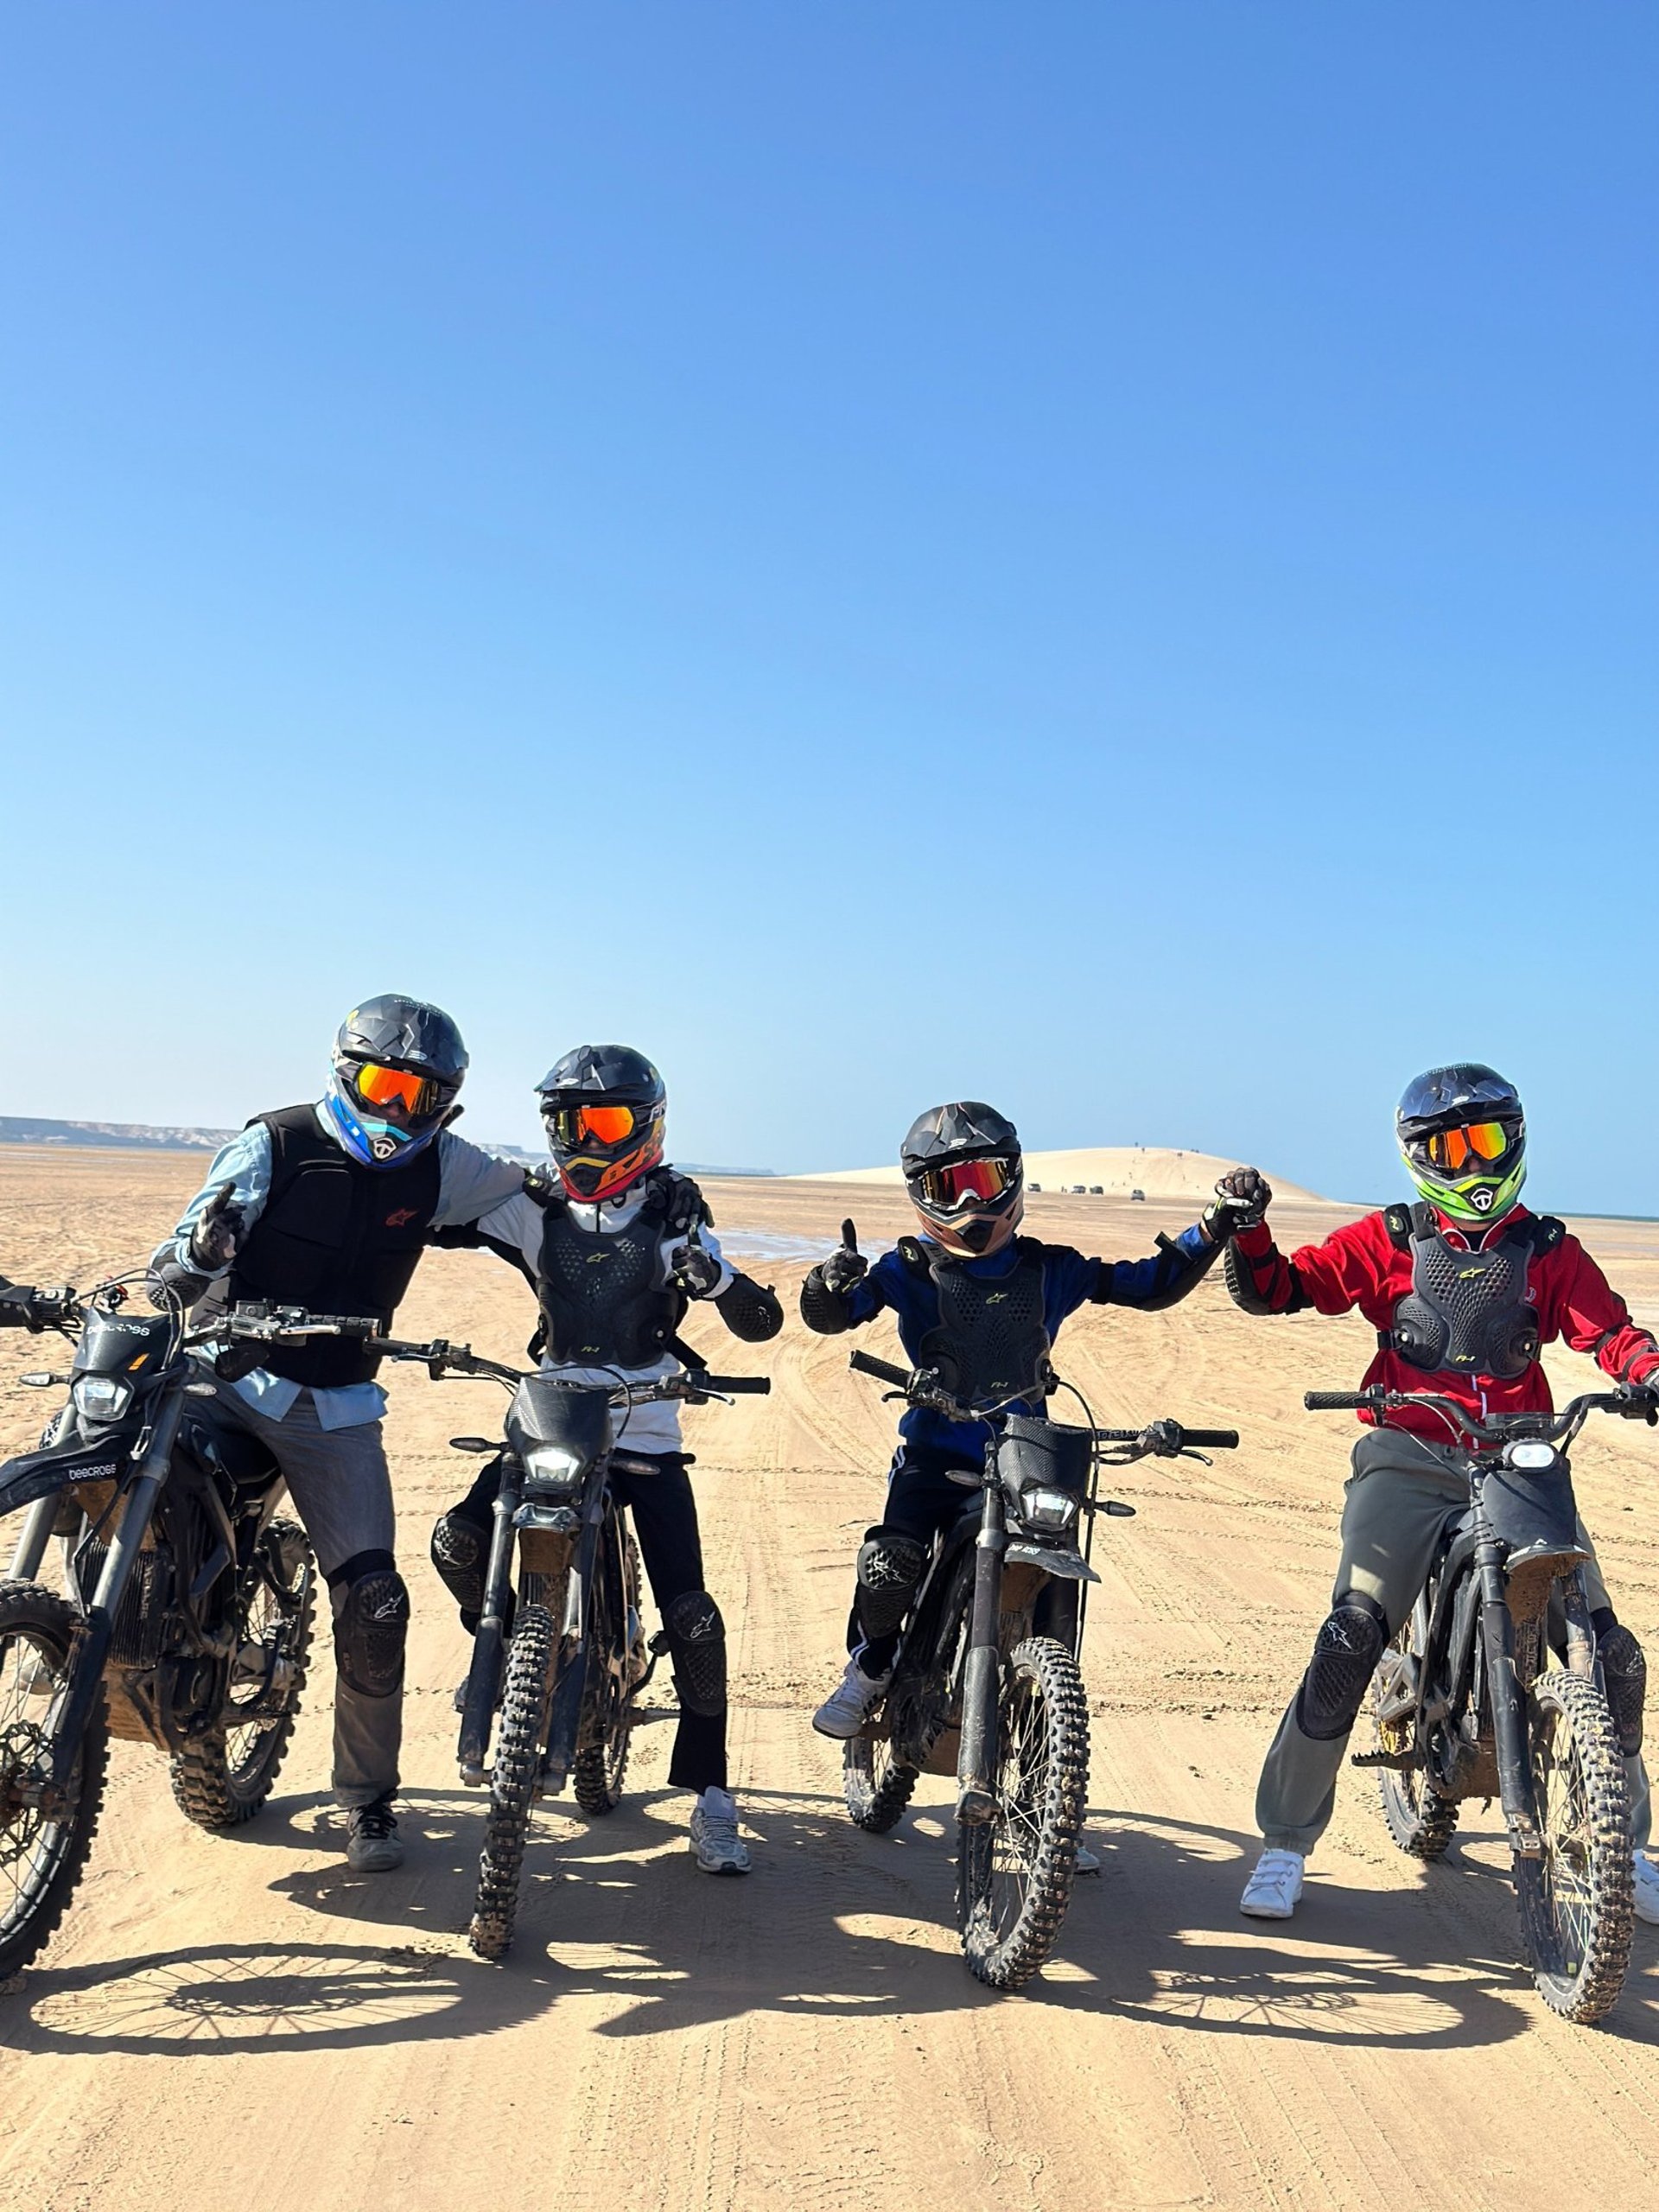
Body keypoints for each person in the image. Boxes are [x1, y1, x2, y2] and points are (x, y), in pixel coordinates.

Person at [1224, 1064, 1659, 1923]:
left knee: (1606, 1650)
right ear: (1418, 1156)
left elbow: (1609, 1330)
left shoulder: (1547, 1251)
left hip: (1521, 1456)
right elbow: (1284, 1289)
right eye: (1448, 1149)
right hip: (1408, 1452)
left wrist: (1647, 1370)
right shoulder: (1387, 1241)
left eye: (1485, 1142)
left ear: (1516, 1139)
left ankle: (1626, 1847)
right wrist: (1250, 1234)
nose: (1470, 1165)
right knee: (1351, 1635)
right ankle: (1284, 1842)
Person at [149, 995, 527, 1872]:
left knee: (375, 1606)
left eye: (419, 1094)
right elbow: (178, 1262)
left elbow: (547, 1207)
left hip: (337, 1410)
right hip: (224, 1381)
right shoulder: (274, 1144)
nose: (396, 1108)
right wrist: (197, 1258)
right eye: (382, 1083)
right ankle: (88, 1643)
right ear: (345, 1069)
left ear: (446, 1102)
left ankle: (368, 1800)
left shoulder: (448, 1169)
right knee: (131, 1479)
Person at [801, 1102, 1262, 1751]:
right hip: (937, 1451)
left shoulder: (1050, 1268)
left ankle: (1049, 1777)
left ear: (1013, 1180)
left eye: (984, 1181)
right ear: (919, 1197)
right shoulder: (906, 1270)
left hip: (1026, 1456)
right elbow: (834, 1315)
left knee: (1057, 1576)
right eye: (947, 1187)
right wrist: (827, 1282)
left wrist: (1213, 1227)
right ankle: (870, 1667)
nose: (968, 1201)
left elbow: (1149, 1284)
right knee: (889, 1562)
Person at [427, 1045, 784, 1877]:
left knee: (691, 1612)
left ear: (647, 1127)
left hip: (645, 1425)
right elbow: (418, 1217)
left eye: (604, 1122)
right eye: (567, 1122)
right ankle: (528, 1652)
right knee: (458, 1539)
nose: (583, 1139)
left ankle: (712, 1795)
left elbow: (760, 1323)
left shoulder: (675, 1216)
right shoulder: (530, 1210)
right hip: (551, 1417)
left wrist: (717, 1276)